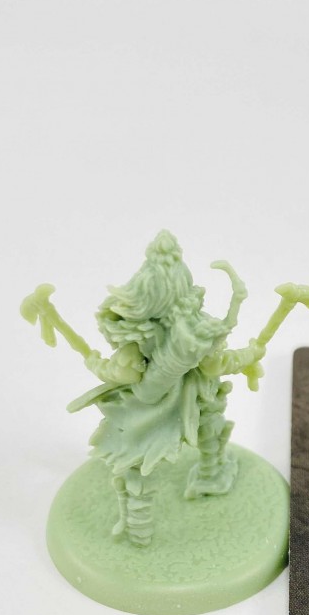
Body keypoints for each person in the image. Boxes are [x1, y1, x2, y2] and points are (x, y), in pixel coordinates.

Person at [70, 230, 265, 546]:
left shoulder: (176, 326)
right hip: (158, 403)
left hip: (184, 396)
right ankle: (141, 528)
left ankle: (210, 475)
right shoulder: (169, 328)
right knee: (141, 466)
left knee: (202, 432)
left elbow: (125, 371)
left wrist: (247, 355)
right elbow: (213, 364)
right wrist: (248, 355)